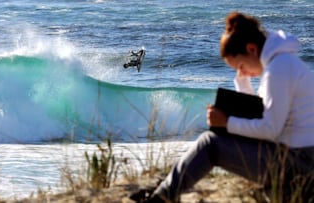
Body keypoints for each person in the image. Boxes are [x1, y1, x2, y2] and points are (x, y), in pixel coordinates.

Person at [130, 12, 314, 203]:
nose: (241, 72)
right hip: (294, 156)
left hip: (300, 164)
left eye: (240, 66)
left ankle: (161, 198)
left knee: (211, 144)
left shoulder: (278, 70)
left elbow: (269, 129)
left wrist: (226, 123)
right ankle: (165, 188)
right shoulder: (282, 63)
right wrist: (243, 85)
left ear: (251, 49)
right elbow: (263, 119)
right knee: (218, 138)